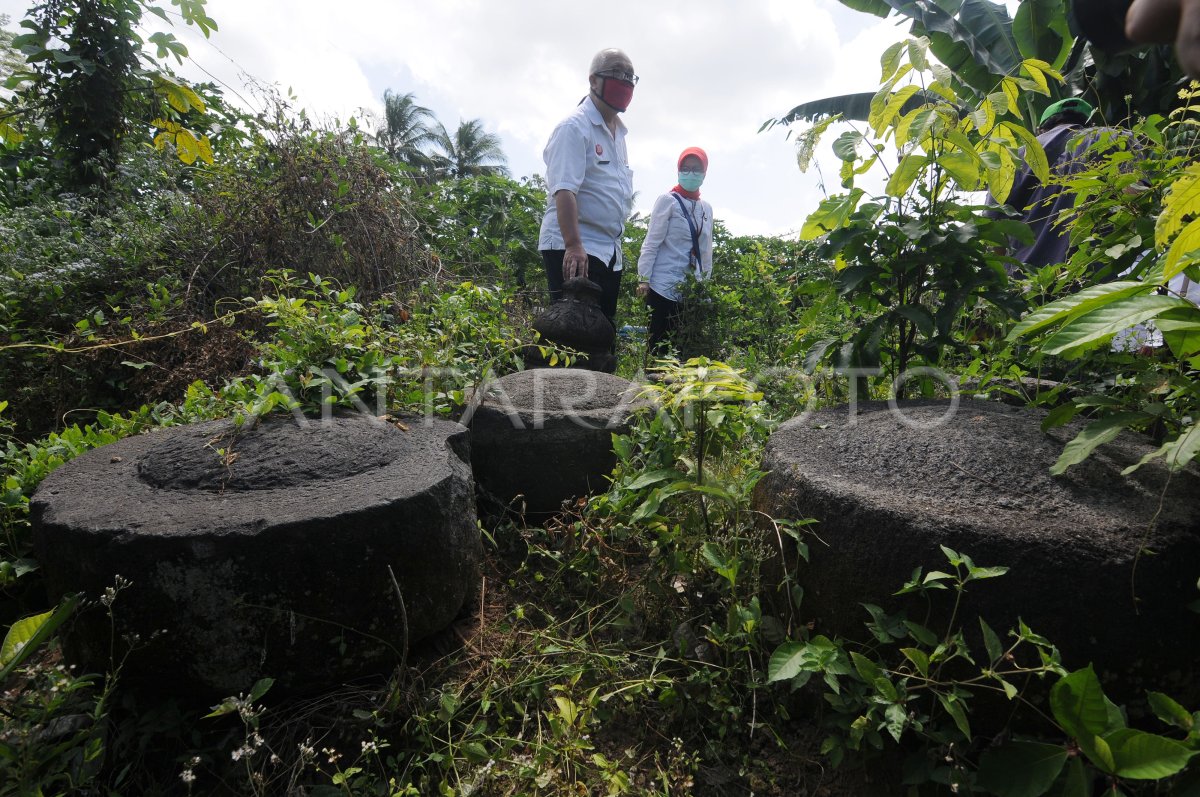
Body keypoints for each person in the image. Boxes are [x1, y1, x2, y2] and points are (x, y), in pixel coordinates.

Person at [538, 48, 637, 325]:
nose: (626, 82)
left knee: (602, 334)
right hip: (576, 247)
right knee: (573, 331)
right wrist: (573, 245)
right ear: (594, 80)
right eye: (618, 73)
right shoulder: (574, 127)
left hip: (608, 252)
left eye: (630, 77)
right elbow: (565, 189)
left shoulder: (619, 134)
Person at [991, 97, 1107, 275]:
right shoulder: (1112, 139)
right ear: (1089, 123)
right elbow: (1134, 196)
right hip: (1096, 278)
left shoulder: (1012, 159)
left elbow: (995, 230)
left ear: (1040, 129)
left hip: (1024, 282)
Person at [635, 147, 714, 357]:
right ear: (678, 171)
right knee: (658, 350)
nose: (690, 173)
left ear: (704, 173)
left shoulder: (706, 208)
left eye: (696, 169)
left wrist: (703, 288)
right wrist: (644, 279)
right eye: (685, 168)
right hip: (662, 287)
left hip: (689, 291)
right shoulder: (667, 200)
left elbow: (706, 253)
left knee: (684, 353)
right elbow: (651, 242)